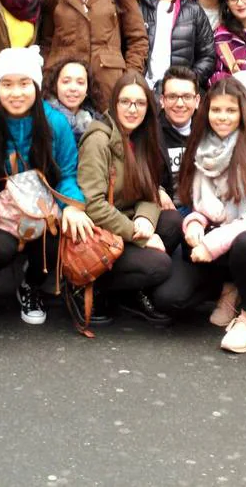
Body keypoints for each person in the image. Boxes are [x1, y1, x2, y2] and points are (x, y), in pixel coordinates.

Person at [152, 80, 246, 354]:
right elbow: (202, 205)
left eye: (230, 110)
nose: (222, 117)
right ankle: (227, 286)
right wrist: (193, 224)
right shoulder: (204, 146)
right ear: (207, 111)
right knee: (169, 298)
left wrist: (211, 244)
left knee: (245, 244)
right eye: (216, 110)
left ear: (243, 113)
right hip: (217, 235)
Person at [0, 47, 94, 326]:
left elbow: (67, 174)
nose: (16, 93)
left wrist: (71, 206)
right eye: (7, 85)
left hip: (43, 212)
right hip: (3, 216)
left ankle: (31, 285)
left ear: (36, 86)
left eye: (24, 84)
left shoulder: (56, 124)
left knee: (62, 235)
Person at [77, 73, 183, 324]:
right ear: (114, 103)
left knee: (173, 222)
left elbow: (150, 188)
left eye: (140, 103)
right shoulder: (99, 140)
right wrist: (139, 233)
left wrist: (146, 218)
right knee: (160, 265)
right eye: (125, 102)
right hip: (99, 231)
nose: (132, 109)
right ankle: (91, 287)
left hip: (125, 220)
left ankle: (129, 292)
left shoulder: (142, 138)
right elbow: (93, 205)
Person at [139, 0, 216, 89]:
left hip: (180, 93)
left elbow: (208, 56)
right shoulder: (135, 6)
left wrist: (187, 82)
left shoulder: (193, 10)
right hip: (141, 91)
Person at [156, 66, 200, 209]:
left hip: (202, 209)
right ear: (162, 100)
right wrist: (156, 191)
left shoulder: (208, 130)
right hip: (166, 210)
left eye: (187, 97)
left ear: (197, 100)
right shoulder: (151, 132)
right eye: (172, 97)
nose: (180, 104)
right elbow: (139, 173)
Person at [46, 57, 102, 140]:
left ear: (88, 88)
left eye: (80, 83)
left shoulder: (97, 121)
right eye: (66, 81)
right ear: (55, 86)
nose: (73, 88)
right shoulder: (44, 119)